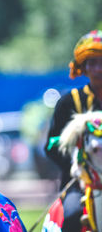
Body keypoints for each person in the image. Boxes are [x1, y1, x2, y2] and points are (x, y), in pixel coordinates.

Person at [45, 29, 102, 231]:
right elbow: (51, 147)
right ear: (83, 67)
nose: (98, 69)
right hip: (79, 183)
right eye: (92, 63)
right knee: (72, 216)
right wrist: (80, 167)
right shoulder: (69, 102)